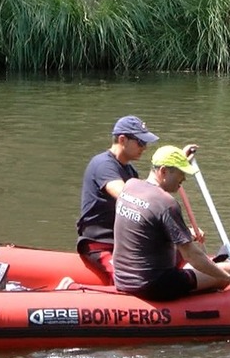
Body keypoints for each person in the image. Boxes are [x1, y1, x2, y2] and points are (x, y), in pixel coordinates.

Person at [112, 145, 230, 301]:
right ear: (163, 171)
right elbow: (191, 255)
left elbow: (148, 221)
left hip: (122, 279)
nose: (183, 179)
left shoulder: (130, 186)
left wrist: (180, 159)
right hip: (154, 285)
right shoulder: (166, 203)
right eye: (180, 173)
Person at [76, 115, 198, 284]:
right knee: (125, 278)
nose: (145, 147)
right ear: (122, 139)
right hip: (100, 244)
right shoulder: (103, 165)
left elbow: (151, 194)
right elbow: (131, 199)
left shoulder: (130, 171)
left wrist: (175, 166)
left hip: (125, 244)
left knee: (178, 257)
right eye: (140, 142)